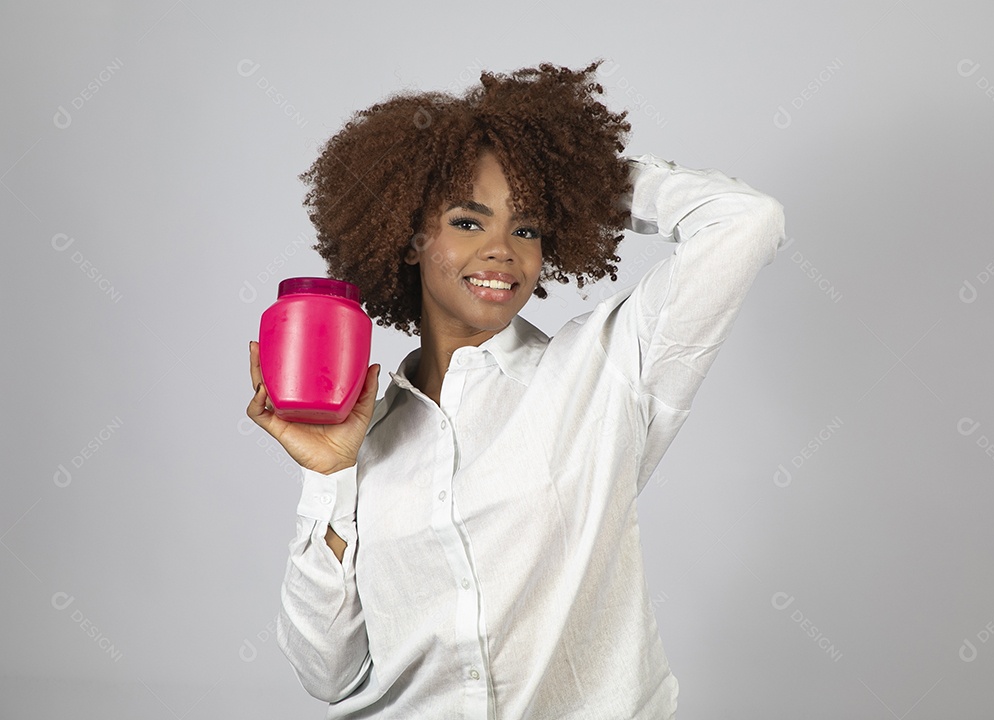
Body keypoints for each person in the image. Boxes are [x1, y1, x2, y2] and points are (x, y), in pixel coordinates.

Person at [246, 60, 786, 719]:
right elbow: (327, 674)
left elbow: (745, 221)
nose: (503, 249)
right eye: (468, 222)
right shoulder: (365, 436)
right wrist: (329, 477)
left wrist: (581, 181)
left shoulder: (606, 370)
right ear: (411, 237)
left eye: (526, 227)